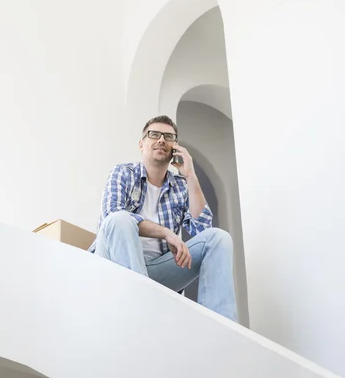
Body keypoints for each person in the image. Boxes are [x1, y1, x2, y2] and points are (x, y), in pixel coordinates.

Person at [88, 115, 237, 321]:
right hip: (115, 263)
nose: (161, 140)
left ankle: (221, 328)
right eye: (154, 134)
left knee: (219, 238)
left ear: (174, 147)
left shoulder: (180, 186)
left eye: (168, 137)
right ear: (142, 144)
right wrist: (165, 232)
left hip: (157, 273)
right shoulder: (123, 173)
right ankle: (140, 316)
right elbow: (110, 217)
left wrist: (190, 176)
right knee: (120, 219)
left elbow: (202, 233)